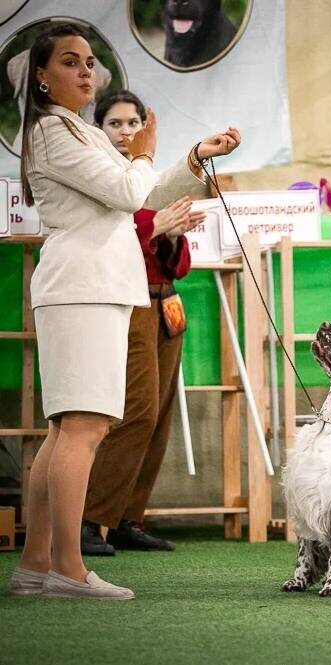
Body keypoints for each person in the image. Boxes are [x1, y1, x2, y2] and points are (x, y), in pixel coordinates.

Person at [9, 23, 240, 600]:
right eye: (70, 62)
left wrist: (192, 157)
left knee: (65, 429)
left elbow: (141, 192)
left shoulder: (79, 131)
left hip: (92, 286)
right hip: (82, 287)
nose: (86, 71)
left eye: (90, 62)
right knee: (82, 429)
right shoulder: (52, 132)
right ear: (42, 77)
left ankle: (36, 565)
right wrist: (145, 153)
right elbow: (130, 193)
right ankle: (67, 568)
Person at [80, 90, 198, 555]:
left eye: (134, 123)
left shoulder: (151, 181)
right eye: (115, 124)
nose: (126, 132)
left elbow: (178, 266)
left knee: (160, 416)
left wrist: (173, 234)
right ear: (99, 130)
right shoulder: (103, 179)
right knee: (136, 411)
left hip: (166, 304)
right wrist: (154, 226)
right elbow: (104, 241)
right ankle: (90, 519)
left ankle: (128, 517)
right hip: (130, 305)